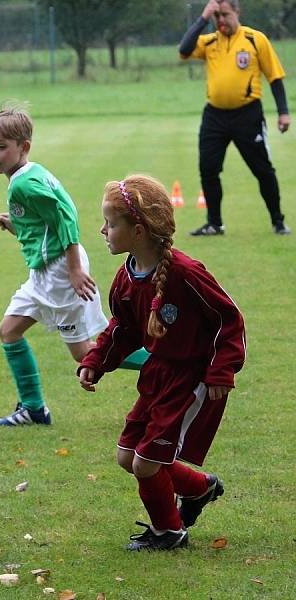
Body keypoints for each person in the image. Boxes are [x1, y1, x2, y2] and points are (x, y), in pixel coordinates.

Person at [79, 175, 246, 551]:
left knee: (146, 463)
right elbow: (122, 328)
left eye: (110, 223)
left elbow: (228, 318)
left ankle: (169, 532)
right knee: (128, 456)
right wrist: (96, 361)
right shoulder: (126, 278)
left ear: (137, 231)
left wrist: (221, 370)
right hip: (158, 375)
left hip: (192, 378)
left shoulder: (185, 274)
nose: (102, 230)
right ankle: (199, 489)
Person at [0, 104, 136, 427]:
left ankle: (172, 364)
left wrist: (74, 269)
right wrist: (17, 226)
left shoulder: (24, 184)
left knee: (85, 354)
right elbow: (47, 222)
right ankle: (34, 409)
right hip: (44, 273)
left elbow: (66, 215)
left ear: (23, 147)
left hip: (60, 272)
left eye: (1, 147)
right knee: (9, 331)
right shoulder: (30, 174)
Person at [180, 0, 291, 236]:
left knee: (262, 170)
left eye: (225, 15)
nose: (221, 21)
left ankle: (278, 221)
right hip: (215, 116)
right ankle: (214, 223)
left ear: (237, 12)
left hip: (248, 115)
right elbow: (184, 50)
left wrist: (283, 112)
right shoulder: (210, 42)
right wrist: (202, 19)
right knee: (208, 169)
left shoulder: (255, 39)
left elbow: (275, 77)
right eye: (216, 16)